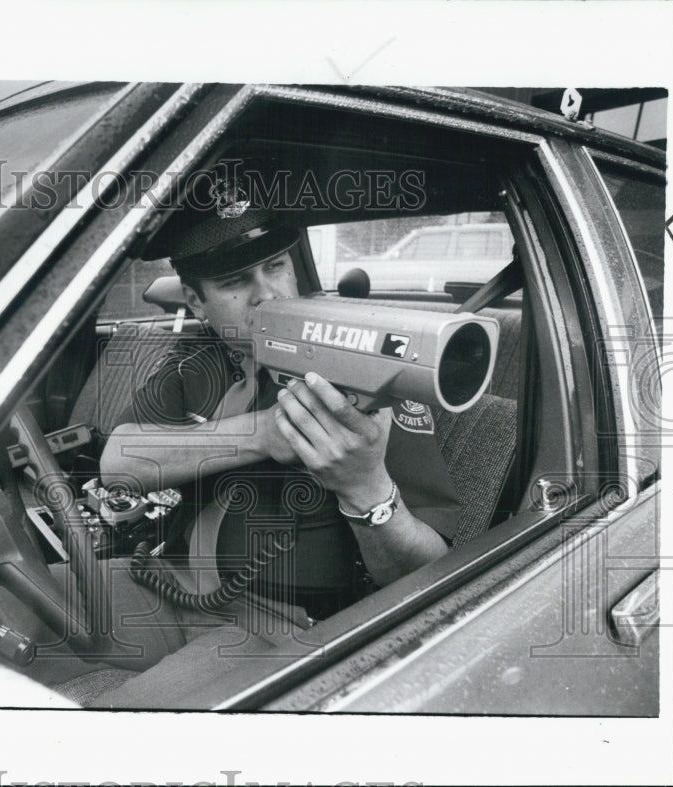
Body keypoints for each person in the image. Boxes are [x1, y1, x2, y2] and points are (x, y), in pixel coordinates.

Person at [100, 204, 458, 619]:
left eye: (275, 266)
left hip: (282, 625)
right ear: (197, 303)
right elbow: (118, 465)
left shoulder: (365, 369)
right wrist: (260, 435)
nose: (267, 293)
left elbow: (432, 570)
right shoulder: (196, 358)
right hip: (172, 579)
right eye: (234, 280)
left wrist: (365, 487)